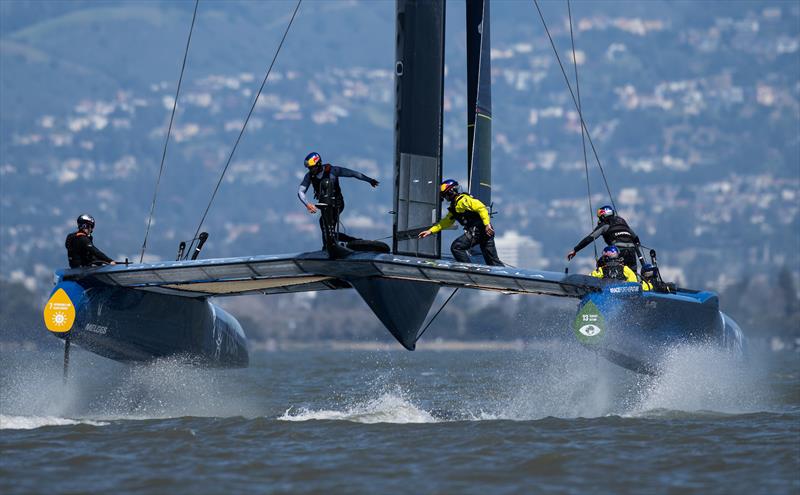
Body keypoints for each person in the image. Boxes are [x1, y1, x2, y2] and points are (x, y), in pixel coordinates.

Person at [297, 152, 379, 250]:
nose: (311, 170)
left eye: (312, 167)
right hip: (324, 206)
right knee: (325, 226)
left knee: (327, 225)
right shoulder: (309, 176)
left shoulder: (333, 170)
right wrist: (307, 204)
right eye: (309, 168)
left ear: (318, 164)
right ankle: (330, 245)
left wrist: (369, 180)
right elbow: (300, 191)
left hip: (337, 204)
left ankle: (343, 243)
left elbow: (354, 174)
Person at [418, 179, 503, 266]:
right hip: (486, 232)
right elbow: (446, 222)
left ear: (451, 192)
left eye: (445, 195)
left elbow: (481, 207)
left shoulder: (463, 200)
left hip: (478, 231)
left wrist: (487, 224)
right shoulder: (455, 206)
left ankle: (469, 270)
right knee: (493, 261)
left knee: (456, 247)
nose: (445, 198)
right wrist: (430, 231)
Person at [567, 204, 642, 270]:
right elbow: (635, 238)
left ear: (603, 216)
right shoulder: (622, 222)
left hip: (618, 250)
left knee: (602, 264)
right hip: (632, 250)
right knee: (632, 272)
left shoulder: (605, 225)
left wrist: (575, 250)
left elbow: (590, 238)